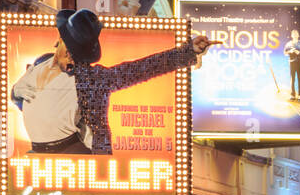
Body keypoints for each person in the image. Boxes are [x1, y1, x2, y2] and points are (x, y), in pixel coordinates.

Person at [11, 9, 218, 154]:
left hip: (70, 154)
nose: (74, 57)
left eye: (79, 53)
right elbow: (19, 97)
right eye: (71, 49)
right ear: (60, 41)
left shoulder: (94, 79)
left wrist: (188, 52)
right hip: (37, 153)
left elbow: (140, 69)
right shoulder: (41, 62)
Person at [284, 29, 300, 100]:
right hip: (292, 63)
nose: (294, 34)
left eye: (296, 33)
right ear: (291, 35)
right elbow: (285, 53)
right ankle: (292, 94)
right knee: (292, 79)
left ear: (298, 35)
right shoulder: (288, 44)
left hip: (299, 62)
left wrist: (299, 52)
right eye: (293, 33)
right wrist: (290, 51)